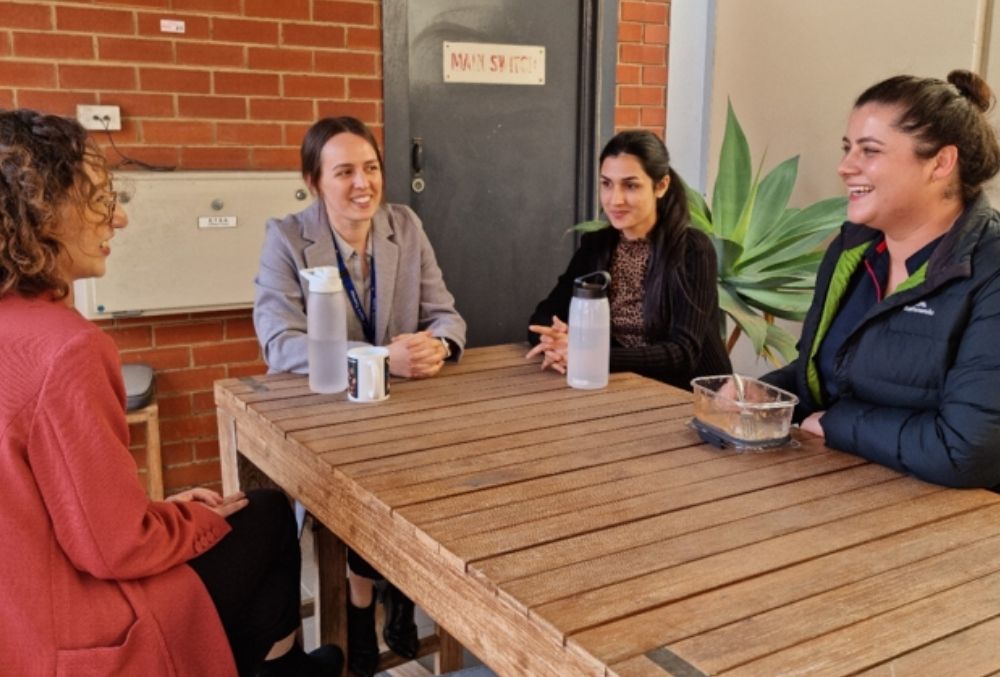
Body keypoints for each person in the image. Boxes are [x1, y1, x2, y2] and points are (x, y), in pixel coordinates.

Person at [0, 109, 343, 676]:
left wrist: (157, 512)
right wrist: (186, 524)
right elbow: (113, 547)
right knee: (263, 514)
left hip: (18, 621)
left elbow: (51, 508)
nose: (120, 220)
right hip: (79, 636)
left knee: (249, 522)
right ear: (40, 211)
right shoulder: (66, 347)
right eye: (97, 200)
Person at [254, 116, 467, 677]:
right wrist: (374, 359)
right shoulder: (286, 237)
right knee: (354, 494)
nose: (361, 184)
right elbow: (279, 344)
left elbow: (446, 314)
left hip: (401, 411)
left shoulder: (405, 225)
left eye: (370, 168)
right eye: (343, 171)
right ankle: (361, 602)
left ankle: (383, 593)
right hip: (326, 414)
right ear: (313, 180)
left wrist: (439, 347)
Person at [761, 70, 1000, 489]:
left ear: (941, 163)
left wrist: (838, 423)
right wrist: (764, 397)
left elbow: (965, 451)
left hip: (955, 529)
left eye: (869, 151)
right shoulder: (853, 251)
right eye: (847, 148)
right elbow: (836, 372)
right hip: (839, 492)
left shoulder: (991, 268)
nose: (844, 167)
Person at [527, 129, 731, 389]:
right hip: (622, 386)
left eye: (631, 185)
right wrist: (552, 342)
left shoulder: (692, 250)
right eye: (607, 184)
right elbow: (543, 315)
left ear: (661, 186)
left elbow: (682, 353)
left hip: (690, 396)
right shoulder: (597, 246)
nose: (615, 199)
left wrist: (587, 355)